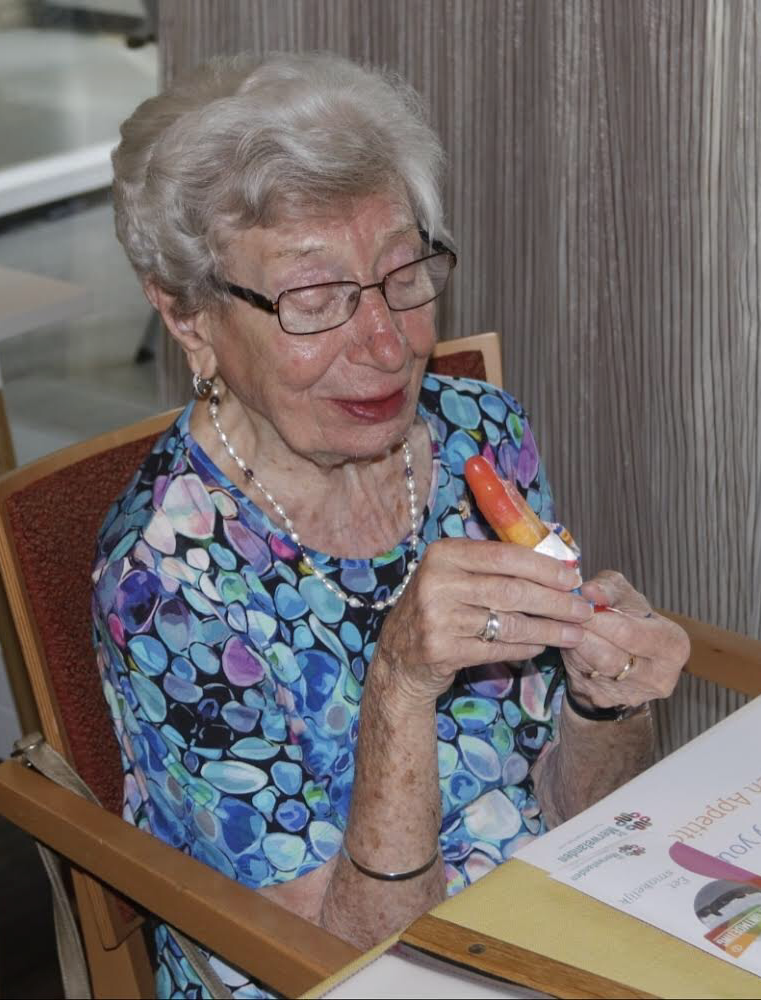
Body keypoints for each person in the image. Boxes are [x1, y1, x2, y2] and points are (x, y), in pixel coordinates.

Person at [94, 51, 690, 998]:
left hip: (538, 930)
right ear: (189, 316)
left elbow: (577, 811)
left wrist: (603, 699)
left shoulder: (479, 436)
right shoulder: (167, 581)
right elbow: (349, 964)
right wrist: (401, 682)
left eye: (405, 275)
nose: (388, 342)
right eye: (313, 300)